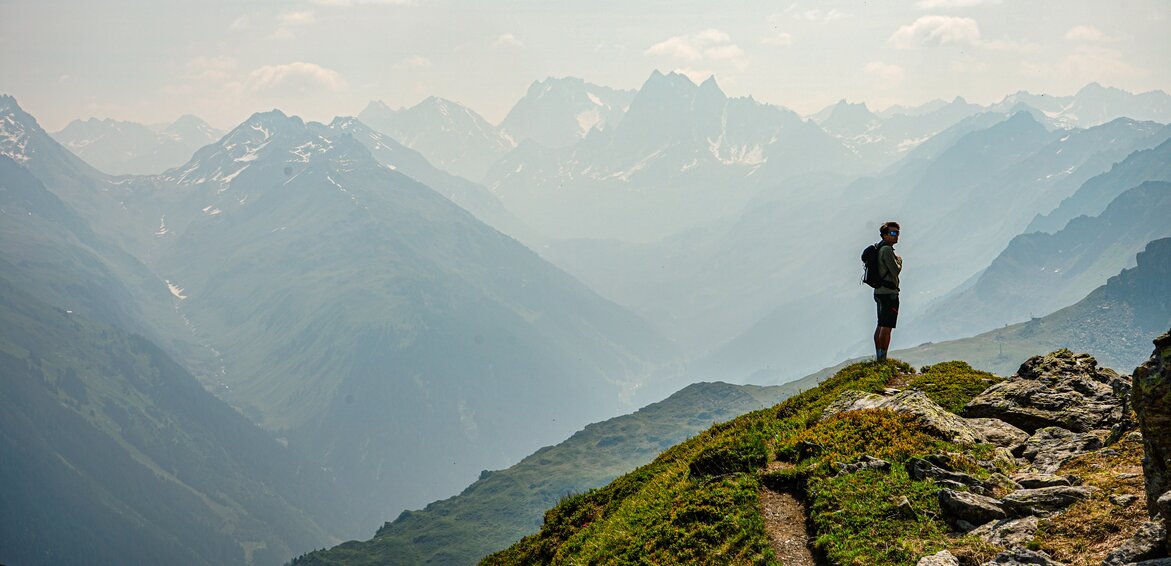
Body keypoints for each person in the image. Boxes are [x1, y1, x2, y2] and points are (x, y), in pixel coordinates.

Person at [873, 221, 902, 362]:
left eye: (897, 233)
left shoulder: (879, 247)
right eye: (892, 233)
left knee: (881, 324)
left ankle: (879, 357)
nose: (896, 236)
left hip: (879, 292)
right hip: (888, 293)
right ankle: (882, 359)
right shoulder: (887, 250)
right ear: (884, 235)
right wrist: (900, 261)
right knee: (886, 326)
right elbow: (895, 271)